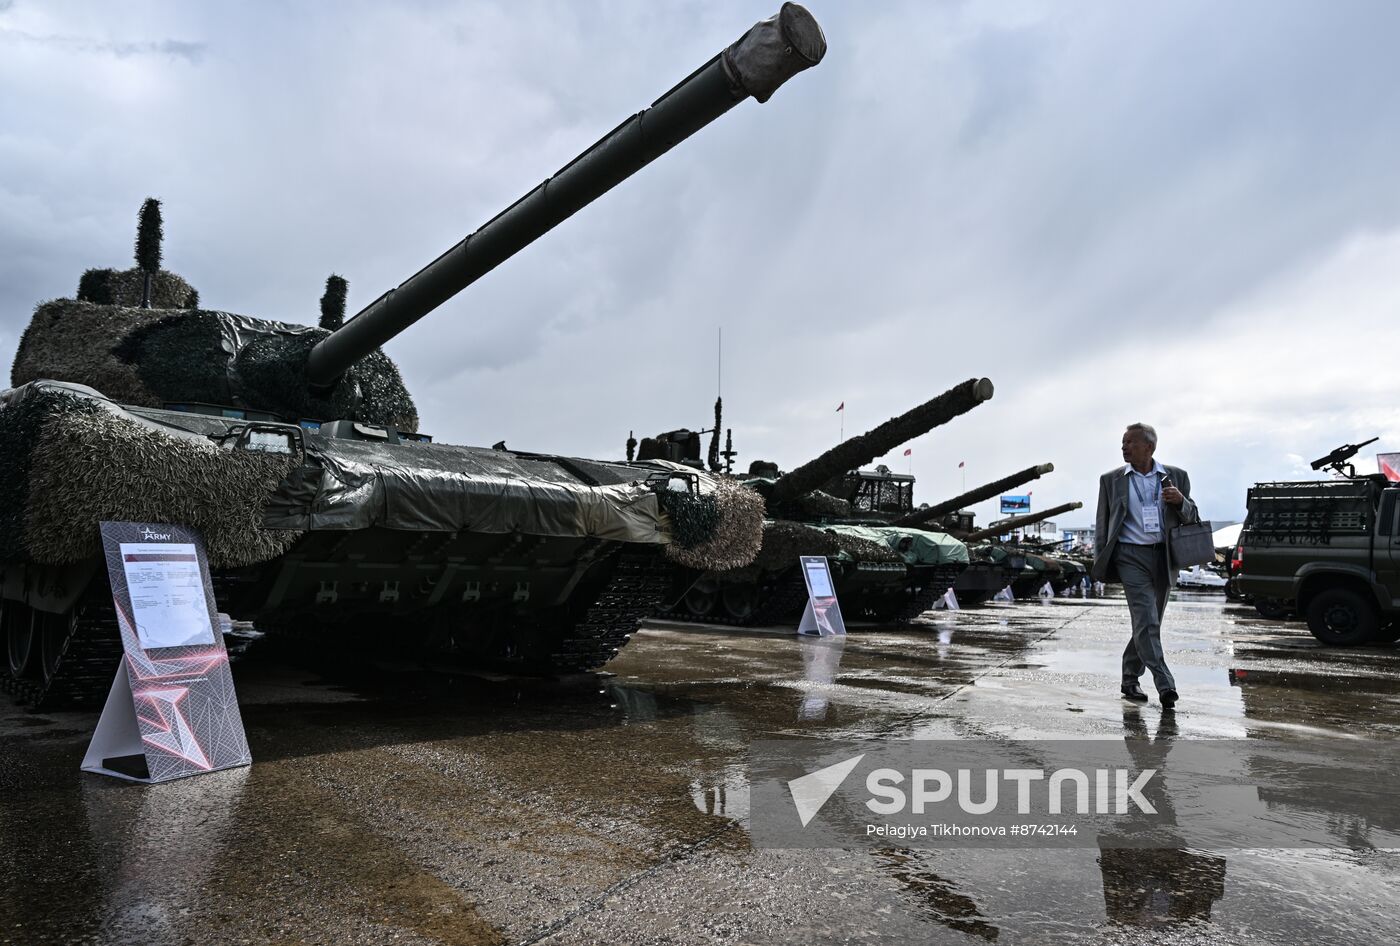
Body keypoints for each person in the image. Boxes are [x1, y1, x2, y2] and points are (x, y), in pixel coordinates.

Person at [1091, 423, 1200, 709]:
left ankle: (1129, 678)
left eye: (1130, 442)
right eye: (1123, 442)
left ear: (1149, 447)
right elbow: (1102, 524)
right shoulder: (1111, 480)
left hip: (1163, 557)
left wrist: (1180, 501)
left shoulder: (1176, 476)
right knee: (1146, 620)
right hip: (1129, 556)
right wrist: (1100, 562)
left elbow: (1192, 516)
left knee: (1150, 624)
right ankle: (1165, 683)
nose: (1124, 447)